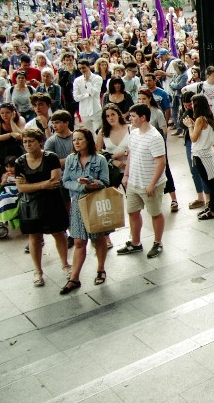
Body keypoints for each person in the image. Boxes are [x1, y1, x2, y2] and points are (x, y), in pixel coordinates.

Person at [15, 128, 70, 286]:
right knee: (34, 238)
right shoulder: (20, 162)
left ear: (40, 142)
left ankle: (65, 264)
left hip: (51, 202)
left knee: (58, 233)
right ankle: (38, 271)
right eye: (25, 142)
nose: (27, 144)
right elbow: (21, 188)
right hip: (30, 205)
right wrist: (43, 184)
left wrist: (31, 184)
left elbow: (55, 182)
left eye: (31, 141)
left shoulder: (51, 157)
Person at [60, 128, 111, 294]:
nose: (76, 142)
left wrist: (93, 183)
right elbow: (66, 181)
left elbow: (105, 181)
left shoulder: (100, 159)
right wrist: (81, 187)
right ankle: (74, 278)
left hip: (95, 203)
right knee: (79, 241)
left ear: (88, 140)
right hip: (77, 203)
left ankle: (101, 269)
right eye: (74, 140)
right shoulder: (70, 159)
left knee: (98, 238)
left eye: (80, 139)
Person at [116, 103, 168, 259]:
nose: (130, 119)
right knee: (132, 212)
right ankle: (135, 243)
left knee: (155, 213)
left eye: (133, 116)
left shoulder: (155, 137)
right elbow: (131, 155)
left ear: (143, 117)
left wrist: (152, 184)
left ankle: (158, 243)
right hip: (134, 182)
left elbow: (161, 163)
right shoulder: (133, 133)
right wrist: (126, 175)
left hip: (150, 185)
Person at [184, 95, 214, 220]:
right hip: (208, 154)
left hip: (201, 155)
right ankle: (211, 207)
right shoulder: (208, 117)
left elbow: (194, 138)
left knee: (210, 184)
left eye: (193, 104)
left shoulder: (200, 119)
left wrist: (190, 126)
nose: (191, 106)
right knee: (211, 183)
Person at [96, 104, 130, 192]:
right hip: (112, 171)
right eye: (107, 116)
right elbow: (98, 152)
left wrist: (125, 153)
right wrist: (112, 160)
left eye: (113, 114)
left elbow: (138, 146)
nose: (111, 118)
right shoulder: (103, 132)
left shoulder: (130, 128)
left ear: (118, 114)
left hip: (130, 169)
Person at [0, 103, 24, 180]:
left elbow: (21, 135)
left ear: (13, 112)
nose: (5, 115)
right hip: (3, 147)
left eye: (7, 112)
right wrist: (10, 134)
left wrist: (12, 121)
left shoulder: (20, 119)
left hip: (17, 146)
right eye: (2, 113)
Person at [72, 59, 103, 133]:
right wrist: (87, 95)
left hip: (96, 110)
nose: (82, 70)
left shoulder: (97, 78)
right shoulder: (77, 80)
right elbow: (76, 98)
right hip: (84, 111)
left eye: (83, 67)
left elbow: (93, 92)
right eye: (80, 68)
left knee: (98, 132)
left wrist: (87, 81)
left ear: (88, 67)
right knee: (89, 133)